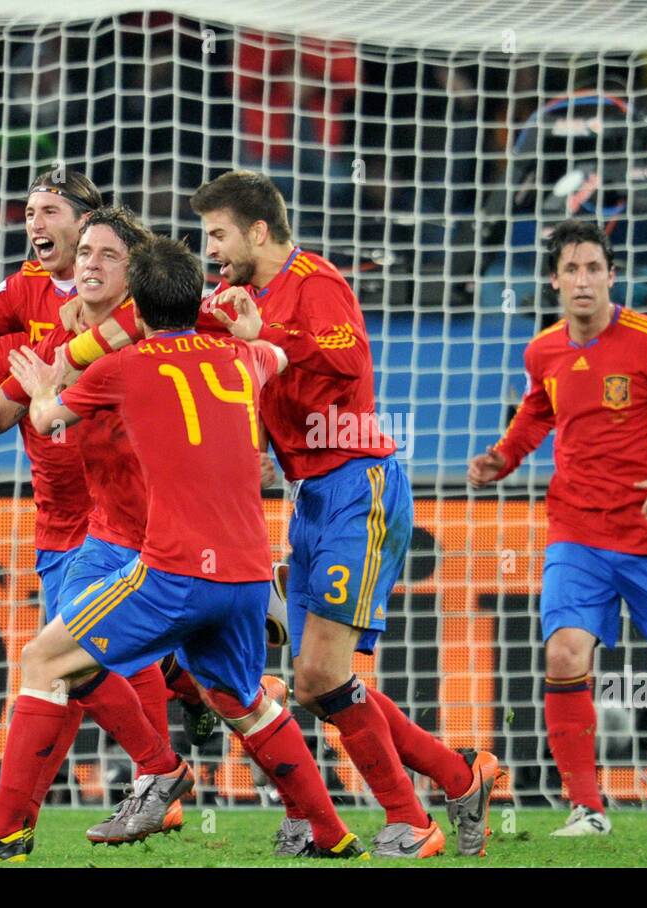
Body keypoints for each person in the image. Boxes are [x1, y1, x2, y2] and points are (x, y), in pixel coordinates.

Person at [0, 235, 367, 861]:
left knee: (42, 661)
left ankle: (6, 834)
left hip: (174, 571)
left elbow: (48, 421)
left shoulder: (119, 367)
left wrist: (47, 384)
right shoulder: (243, 359)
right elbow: (276, 353)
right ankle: (332, 833)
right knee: (243, 702)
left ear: (137, 301)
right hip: (246, 574)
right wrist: (250, 330)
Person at [193, 170, 500, 858]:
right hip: (309, 494)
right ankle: (461, 774)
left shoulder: (314, 280)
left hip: (358, 485)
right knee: (313, 679)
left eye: (219, 233)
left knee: (324, 675)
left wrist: (262, 334)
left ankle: (411, 822)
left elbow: (347, 355)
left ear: (259, 231)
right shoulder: (228, 296)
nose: (210, 247)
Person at [468, 220, 647, 837]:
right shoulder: (542, 350)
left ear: (612, 275)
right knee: (564, 652)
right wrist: (504, 457)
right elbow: (538, 409)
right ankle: (588, 809)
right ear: (553, 280)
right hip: (577, 531)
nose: (583, 280)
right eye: (571, 269)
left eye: (594, 267)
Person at [0, 208, 185, 852]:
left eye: (102, 253)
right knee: (62, 664)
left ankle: (163, 761)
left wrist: (69, 363)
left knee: (59, 660)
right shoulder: (38, 332)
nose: (87, 263)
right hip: (93, 530)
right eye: (84, 253)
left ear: (133, 270)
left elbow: (54, 403)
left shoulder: (151, 326)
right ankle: (171, 750)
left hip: (163, 535)